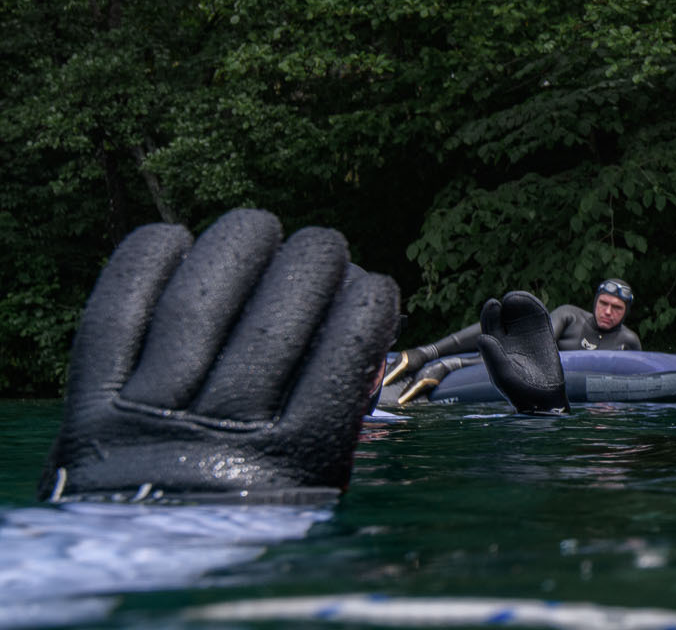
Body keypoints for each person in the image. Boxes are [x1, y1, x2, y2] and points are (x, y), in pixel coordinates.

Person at [38, 209, 569, 504]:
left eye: (376, 351)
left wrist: (544, 417)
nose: (366, 369)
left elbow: (518, 484)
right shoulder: (220, 415)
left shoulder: (405, 411)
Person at [385, 277, 642, 403]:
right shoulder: (571, 316)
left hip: (568, 399)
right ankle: (428, 353)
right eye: (604, 303)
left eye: (616, 308)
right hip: (521, 370)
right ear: (595, 301)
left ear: (626, 312)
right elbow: (531, 350)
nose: (608, 312)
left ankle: (447, 365)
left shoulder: (628, 341)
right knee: (505, 319)